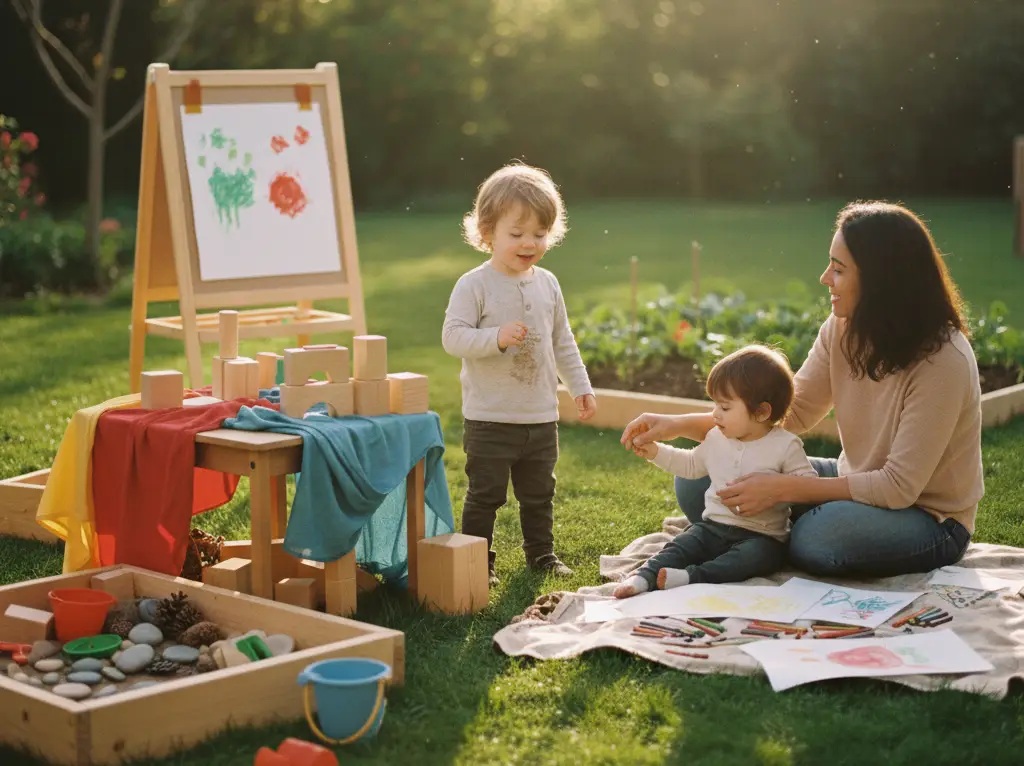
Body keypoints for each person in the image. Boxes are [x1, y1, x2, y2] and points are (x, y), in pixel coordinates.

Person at [621, 201, 982, 579]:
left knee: (818, 539)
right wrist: (676, 425)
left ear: (880, 279)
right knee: (699, 478)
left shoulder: (944, 361)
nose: (825, 278)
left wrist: (781, 489)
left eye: (839, 270)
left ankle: (765, 543)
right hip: (854, 478)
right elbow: (789, 414)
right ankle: (762, 541)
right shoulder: (843, 328)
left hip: (929, 518)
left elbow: (898, 488)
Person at [442, 162, 597, 585]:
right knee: (485, 495)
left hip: (540, 415)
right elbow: (452, 338)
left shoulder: (548, 283)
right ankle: (479, 562)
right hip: (491, 416)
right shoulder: (474, 285)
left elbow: (562, 340)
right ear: (488, 232)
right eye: (517, 234)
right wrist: (495, 338)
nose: (530, 243)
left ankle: (541, 555)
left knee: (538, 494)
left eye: (540, 234)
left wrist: (579, 385)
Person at [615, 345, 817, 598]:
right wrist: (655, 452)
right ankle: (643, 577)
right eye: (715, 405)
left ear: (762, 412)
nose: (714, 414)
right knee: (681, 545)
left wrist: (779, 487)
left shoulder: (786, 446)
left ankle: (693, 577)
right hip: (712, 527)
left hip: (762, 537)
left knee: (754, 558)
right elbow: (690, 465)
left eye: (725, 407)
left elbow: (808, 484)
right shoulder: (716, 438)